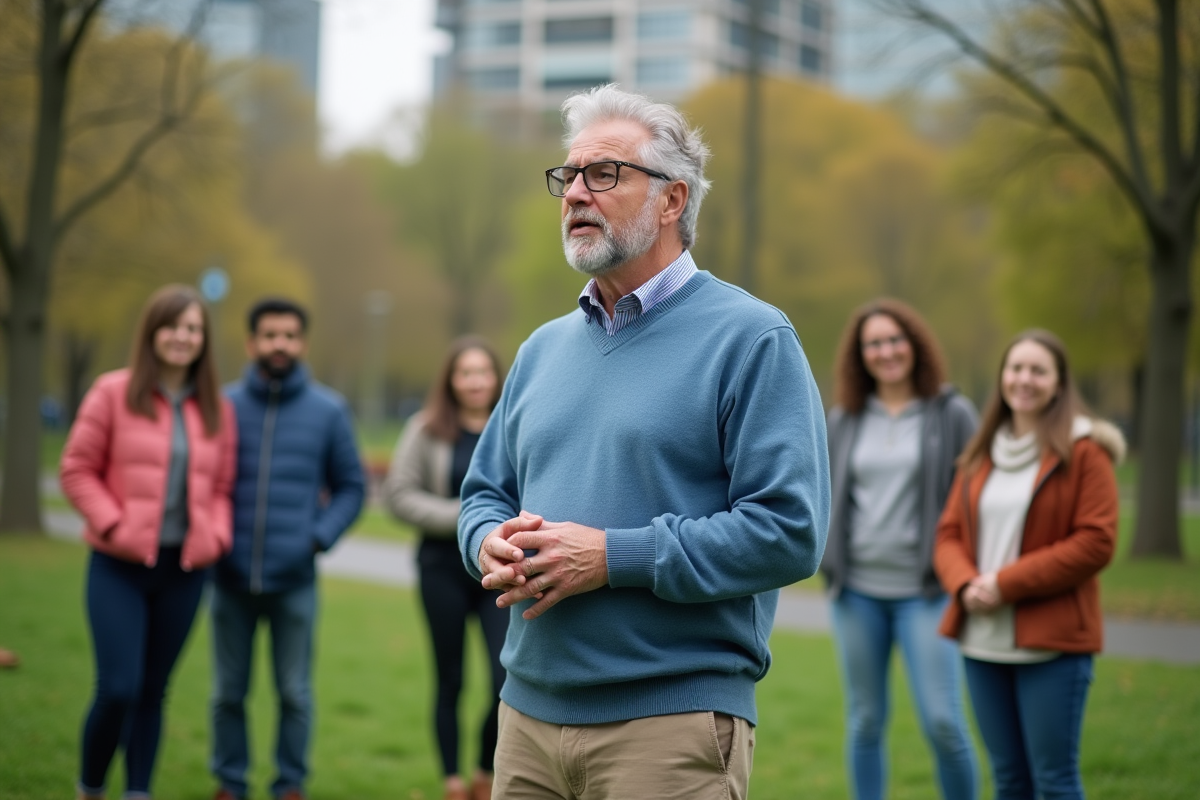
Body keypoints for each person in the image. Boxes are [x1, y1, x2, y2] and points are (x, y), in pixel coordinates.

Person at [457, 84, 830, 799]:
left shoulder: (752, 339)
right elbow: (483, 495)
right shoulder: (540, 349)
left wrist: (612, 557)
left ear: (672, 200)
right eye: (568, 176)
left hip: (672, 725)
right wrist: (486, 544)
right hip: (525, 718)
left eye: (604, 173)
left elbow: (789, 533)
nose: (573, 194)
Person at [61, 285, 236, 800]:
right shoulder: (112, 392)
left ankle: (139, 791)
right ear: (152, 333)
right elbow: (76, 469)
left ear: (203, 339)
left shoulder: (215, 409)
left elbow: (222, 488)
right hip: (118, 565)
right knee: (117, 687)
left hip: (183, 571)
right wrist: (111, 523)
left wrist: (216, 535)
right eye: (173, 326)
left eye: (193, 328)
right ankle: (90, 787)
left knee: (154, 692)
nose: (182, 337)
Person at [934, 330, 1123, 800]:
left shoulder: (1085, 451)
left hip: (1052, 644)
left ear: (1059, 384)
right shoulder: (982, 452)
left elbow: (1096, 542)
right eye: (1016, 368)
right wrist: (966, 583)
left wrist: (1004, 584)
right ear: (1002, 378)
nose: (1025, 379)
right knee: (1009, 781)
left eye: (1038, 370)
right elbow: (948, 534)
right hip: (983, 643)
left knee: (1055, 782)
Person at [821, 299, 979, 800]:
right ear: (859, 355)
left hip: (927, 593)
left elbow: (975, 497)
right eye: (873, 344)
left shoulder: (951, 412)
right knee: (865, 722)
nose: (885, 351)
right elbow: (824, 495)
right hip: (856, 595)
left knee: (943, 722)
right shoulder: (844, 418)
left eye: (894, 340)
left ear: (914, 345)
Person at [210, 298, 366, 800]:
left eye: (290, 336)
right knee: (226, 693)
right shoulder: (222, 406)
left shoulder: (328, 410)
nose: (280, 344)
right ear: (252, 342)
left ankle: (289, 784)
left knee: (294, 693)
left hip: (295, 579)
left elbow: (351, 487)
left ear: (302, 342)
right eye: (270, 335)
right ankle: (230, 784)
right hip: (228, 578)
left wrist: (316, 539)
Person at [384, 337, 508, 800]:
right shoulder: (426, 429)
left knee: (503, 677)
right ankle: (453, 781)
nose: (475, 381)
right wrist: (466, 519)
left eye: (483, 372)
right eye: (465, 373)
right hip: (441, 568)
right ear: (451, 381)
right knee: (449, 677)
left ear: (497, 378)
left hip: (500, 571)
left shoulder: (511, 423)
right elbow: (399, 494)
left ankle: (482, 767)